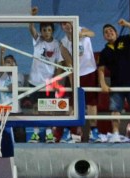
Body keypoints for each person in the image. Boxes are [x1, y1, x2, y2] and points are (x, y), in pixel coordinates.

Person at [98, 19, 130, 143]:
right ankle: (115, 134)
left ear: (116, 33)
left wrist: (126, 24)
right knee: (115, 110)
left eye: (111, 30)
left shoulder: (124, 40)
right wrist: (103, 83)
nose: (109, 33)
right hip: (116, 85)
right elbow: (101, 70)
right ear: (104, 37)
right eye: (106, 32)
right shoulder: (104, 52)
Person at [27, 10, 71, 143]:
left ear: (52, 31)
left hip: (48, 82)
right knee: (35, 107)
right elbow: (31, 28)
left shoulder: (57, 44)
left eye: (49, 30)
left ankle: (48, 134)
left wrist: (55, 81)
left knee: (47, 108)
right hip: (35, 80)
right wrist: (32, 17)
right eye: (44, 30)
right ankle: (35, 134)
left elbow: (59, 64)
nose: (46, 32)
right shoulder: (38, 41)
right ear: (41, 31)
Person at [59, 20, 98, 143]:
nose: (67, 25)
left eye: (68, 23)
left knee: (91, 103)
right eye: (63, 24)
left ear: (73, 23)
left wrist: (82, 34)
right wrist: (73, 83)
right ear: (62, 27)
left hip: (90, 71)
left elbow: (92, 33)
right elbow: (69, 64)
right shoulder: (63, 43)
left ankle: (94, 132)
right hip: (76, 74)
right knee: (72, 103)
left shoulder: (81, 29)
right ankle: (68, 131)